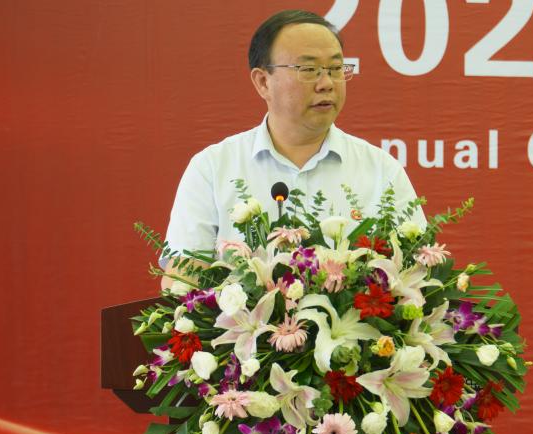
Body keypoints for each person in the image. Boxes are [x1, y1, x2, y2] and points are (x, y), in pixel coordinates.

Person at [161, 9, 426, 288]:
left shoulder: (382, 170)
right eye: (309, 70)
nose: (326, 84)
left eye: (336, 69)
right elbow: (183, 282)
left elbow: (418, 277)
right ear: (263, 82)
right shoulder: (213, 168)